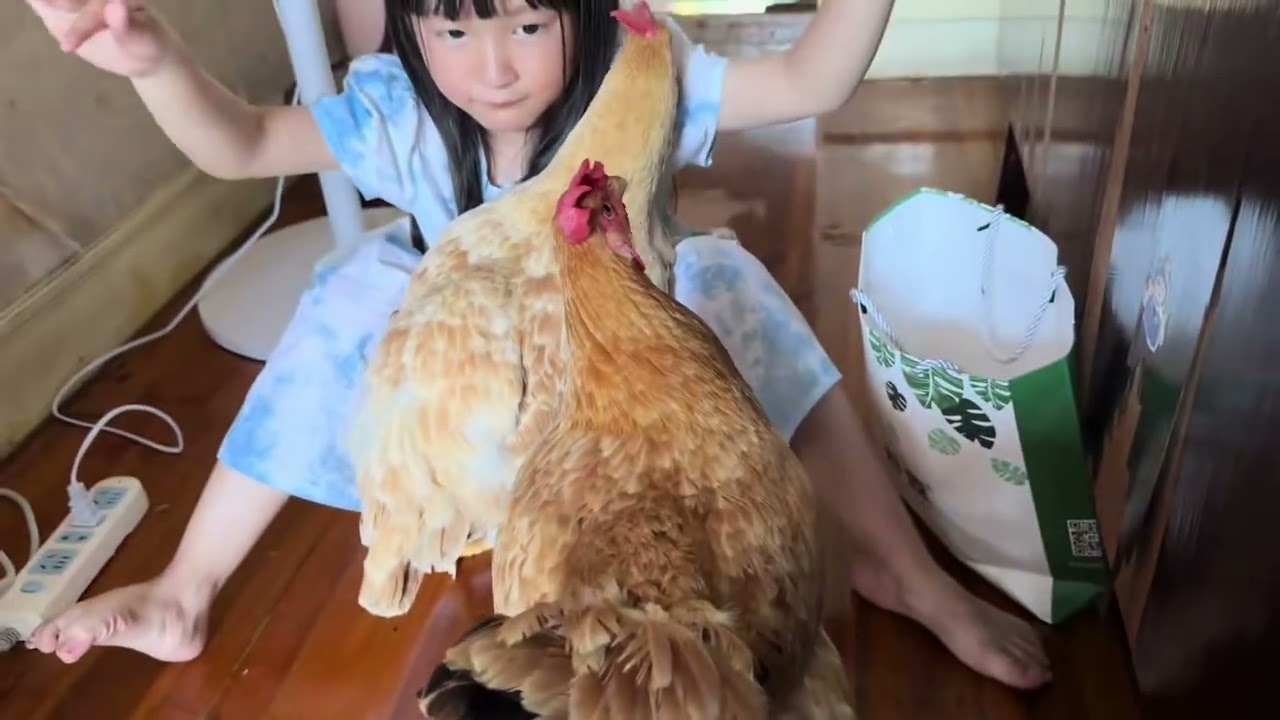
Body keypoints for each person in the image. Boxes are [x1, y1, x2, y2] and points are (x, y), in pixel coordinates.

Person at [21, 0, 1051, 690]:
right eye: (454, 29)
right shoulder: (400, 112)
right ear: (411, 21)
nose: (496, 67)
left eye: (525, 21)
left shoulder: (644, 78)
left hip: (630, 428)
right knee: (349, 290)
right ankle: (183, 591)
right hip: (483, 438)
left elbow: (810, 83)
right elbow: (242, 144)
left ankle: (901, 571)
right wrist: (149, 60)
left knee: (722, 276)